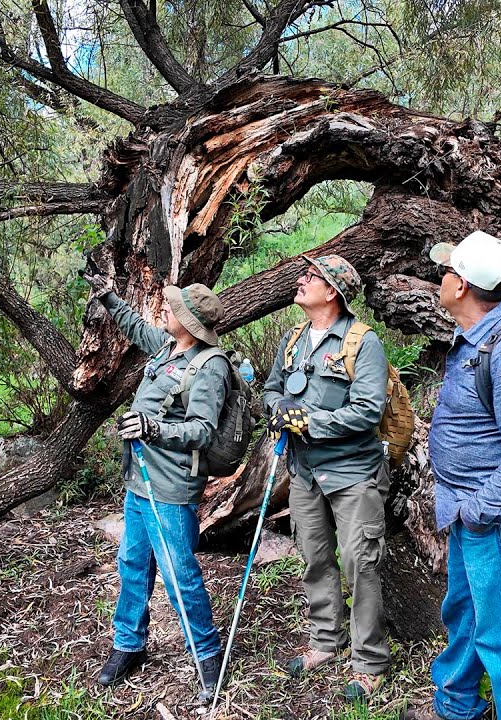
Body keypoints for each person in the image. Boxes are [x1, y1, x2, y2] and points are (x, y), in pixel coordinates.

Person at [403, 230, 501, 720]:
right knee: (466, 617)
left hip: (500, 519)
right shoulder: (475, 341)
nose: (440, 277)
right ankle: (456, 706)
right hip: (472, 513)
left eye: (448, 270)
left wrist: (478, 510)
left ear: (462, 286)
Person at [83, 265, 229, 702]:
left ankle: (207, 655)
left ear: (190, 322)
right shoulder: (166, 346)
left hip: (170, 486)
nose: (166, 309)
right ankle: (128, 645)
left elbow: (203, 429)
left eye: (174, 307)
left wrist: (152, 427)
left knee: (178, 573)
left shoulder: (210, 366)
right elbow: (134, 326)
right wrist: (109, 298)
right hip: (138, 482)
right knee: (132, 564)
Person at [262, 254, 391, 701]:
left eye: (311, 276)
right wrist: (279, 411)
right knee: (316, 558)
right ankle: (325, 641)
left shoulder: (363, 343)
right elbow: (272, 387)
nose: (301, 280)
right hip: (304, 473)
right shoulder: (294, 337)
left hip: (353, 474)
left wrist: (310, 422)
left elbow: (368, 409)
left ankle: (369, 662)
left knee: (361, 566)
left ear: (331, 291)